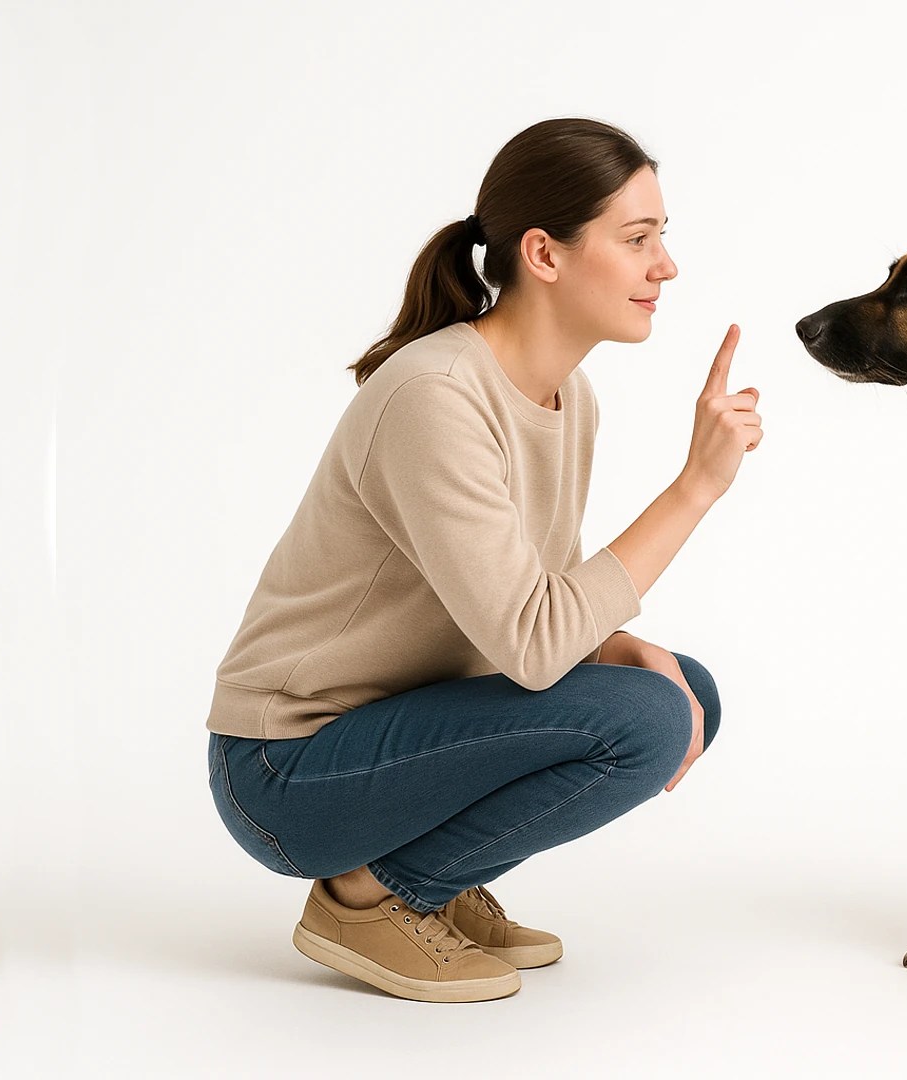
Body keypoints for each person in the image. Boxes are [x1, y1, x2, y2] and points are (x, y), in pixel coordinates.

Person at [203, 118, 762, 1003]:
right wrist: (695, 487)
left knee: (686, 690)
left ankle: (420, 880)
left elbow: (543, 606)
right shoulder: (437, 396)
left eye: (664, 237)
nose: (666, 265)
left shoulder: (566, 397)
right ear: (544, 253)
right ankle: (373, 895)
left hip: (396, 736)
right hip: (289, 769)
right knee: (650, 720)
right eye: (638, 238)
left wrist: (628, 650)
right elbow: (536, 646)